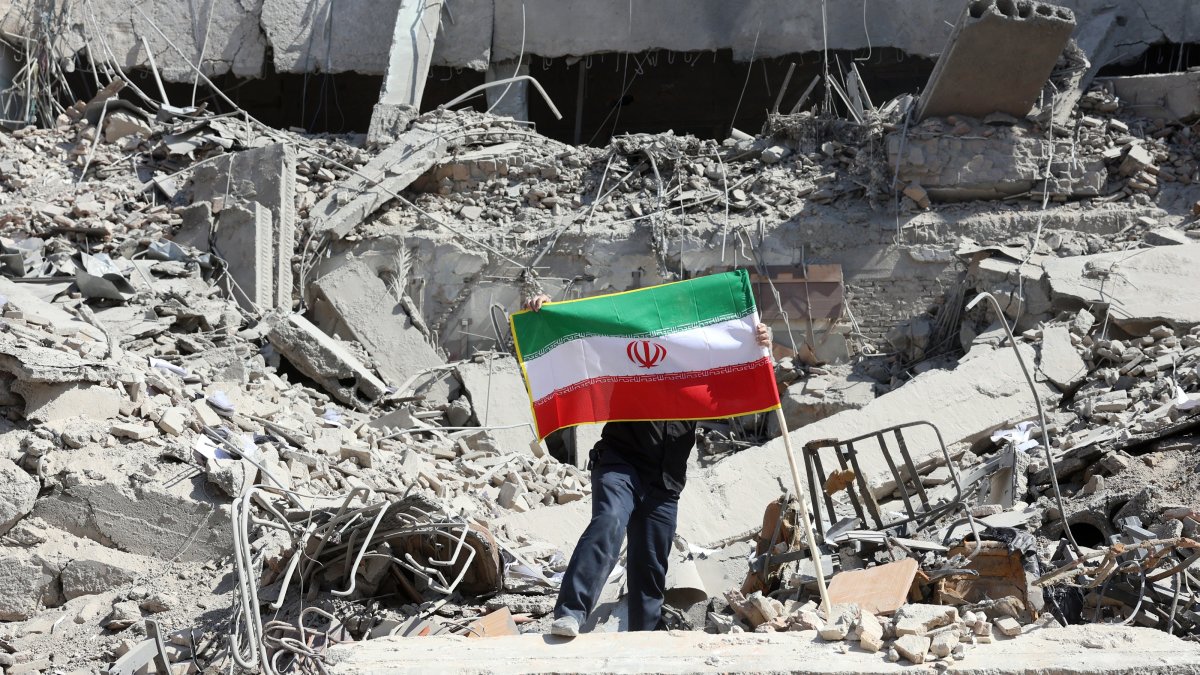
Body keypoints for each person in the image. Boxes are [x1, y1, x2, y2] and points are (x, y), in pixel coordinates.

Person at [522, 293, 771, 637]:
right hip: (620, 463)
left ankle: (644, 637)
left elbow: (746, 388)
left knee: (651, 565)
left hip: (666, 482)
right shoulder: (627, 355)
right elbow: (582, 341)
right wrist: (549, 312)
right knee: (608, 521)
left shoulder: (699, 368)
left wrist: (757, 348)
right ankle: (571, 612)